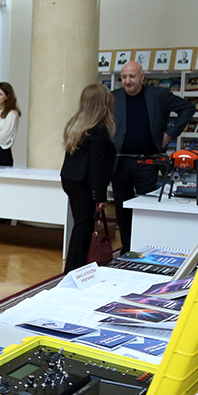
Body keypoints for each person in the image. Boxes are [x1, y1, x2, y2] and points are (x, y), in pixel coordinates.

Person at [111, 60, 195, 252]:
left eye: (132, 76)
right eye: (124, 77)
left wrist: (170, 134)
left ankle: (144, 249)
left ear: (142, 77)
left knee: (146, 208)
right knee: (122, 209)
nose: (128, 81)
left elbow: (188, 108)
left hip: (147, 162)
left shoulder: (159, 95)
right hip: (119, 162)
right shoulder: (113, 97)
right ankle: (127, 249)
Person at [61, 84, 117, 273]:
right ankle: (73, 270)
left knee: (80, 225)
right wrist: (100, 196)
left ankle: (77, 268)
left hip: (71, 180)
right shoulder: (99, 130)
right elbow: (97, 166)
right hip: (84, 183)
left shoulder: (76, 125)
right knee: (83, 228)